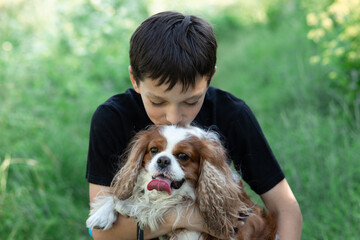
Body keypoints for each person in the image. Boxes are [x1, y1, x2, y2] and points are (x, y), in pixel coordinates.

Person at [86, 11, 302, 240]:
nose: (173, 117)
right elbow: (101, 233)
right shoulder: (112, 118)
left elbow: (286, 208)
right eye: (157, 101)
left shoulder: (232, 114)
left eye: (191, 101)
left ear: (209, 79)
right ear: (134, 80)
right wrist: (186, 217)